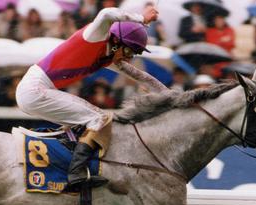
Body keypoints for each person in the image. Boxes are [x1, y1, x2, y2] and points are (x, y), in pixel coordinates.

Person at [16, 5, 163, 189]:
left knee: (87, 123)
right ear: (117, 41)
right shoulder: (96, 36)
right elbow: (106, 13)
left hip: (36, 90)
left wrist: (172, 97)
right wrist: (141, 18)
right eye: (129, 51)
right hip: (34, 89)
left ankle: (66, 164)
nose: (130, 58)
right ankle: (76, 173)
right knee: (99, 118)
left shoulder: (109, 57)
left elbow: (142, 77)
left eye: (134, 53)